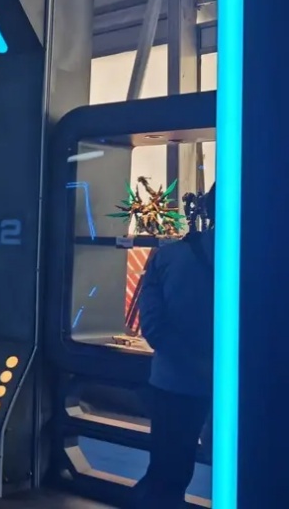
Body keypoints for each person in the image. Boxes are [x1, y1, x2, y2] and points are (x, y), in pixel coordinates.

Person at [132, 185, 216, 508]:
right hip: (234, 384)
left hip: (174, 382)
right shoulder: (257, 259)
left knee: (168, 470)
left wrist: (193, 362)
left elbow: (153, 325)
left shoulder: (168, 257)